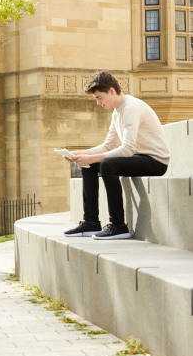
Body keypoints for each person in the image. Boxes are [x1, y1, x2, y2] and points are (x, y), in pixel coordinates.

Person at [64, 71, 170, 240]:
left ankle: (118, 225)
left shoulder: (131, 107)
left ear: (112, 91)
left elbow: (127, 149)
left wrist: (92, 157)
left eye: (100, 97)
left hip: (155, 161)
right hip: (138, 159)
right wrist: (80, 154)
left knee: (107, 164)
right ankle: (91, 222)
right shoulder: (117, 111)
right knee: (89, 166)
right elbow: (108, 145)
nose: (98, 102)